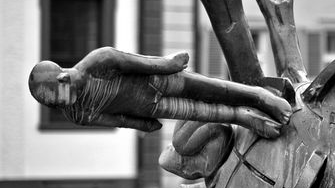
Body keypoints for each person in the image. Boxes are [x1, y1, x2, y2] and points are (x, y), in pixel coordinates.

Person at [28, 47, 291, 137]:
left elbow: (140, 62)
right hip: (149, 107)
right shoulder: (75, 113)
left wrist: (169, 64)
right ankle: (245, 117)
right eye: (57, 103)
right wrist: (140, 124)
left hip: (157, 81)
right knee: (205, 112)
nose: (65, 101)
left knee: (213, 89)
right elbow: (116, 120)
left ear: (64, 75)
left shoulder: (99, 61)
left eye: (63, 92)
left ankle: (260, 95)